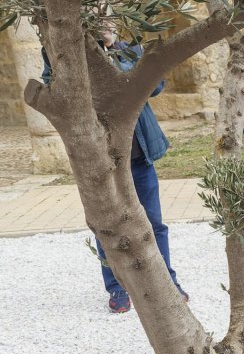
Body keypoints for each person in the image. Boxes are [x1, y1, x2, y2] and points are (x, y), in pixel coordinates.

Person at [45, 24, 188, 313]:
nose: (104, 27)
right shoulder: (64, 53)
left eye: (108, 23)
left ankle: (167, 281)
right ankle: (118, 288)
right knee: (106, 228)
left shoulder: (130, 49)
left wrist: (115, 51)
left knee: (154, 224)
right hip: (99, 162)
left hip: (139, 154)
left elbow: (155, 85)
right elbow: (52, 87)